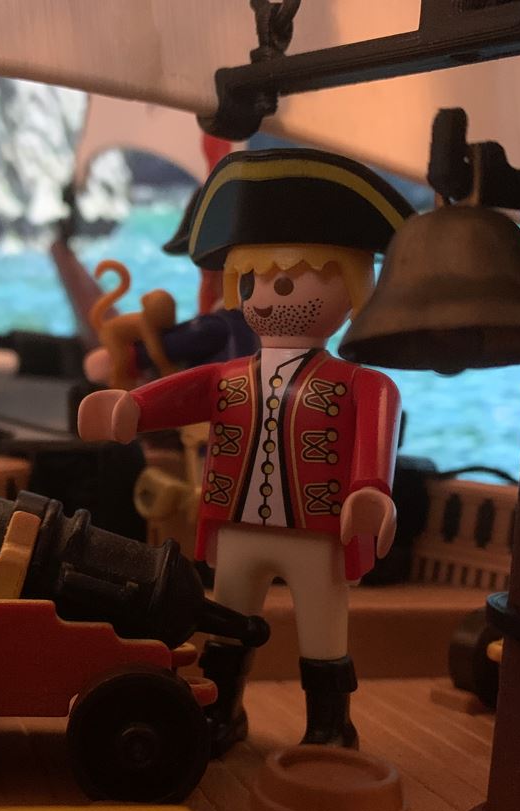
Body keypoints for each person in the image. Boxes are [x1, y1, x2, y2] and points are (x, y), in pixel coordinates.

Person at [78, 147, 413, 755]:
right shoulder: (229, 376)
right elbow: (180, 393)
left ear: (352, 288)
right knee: (226, 624)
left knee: (323, 629)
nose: (267, 297)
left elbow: (376, 442)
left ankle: (330, 726)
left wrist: (371, 491)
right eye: (253, 282)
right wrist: (132, 408)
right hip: (236, 524)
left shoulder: (364, 385)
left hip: (318, 530)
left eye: (287, 281)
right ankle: (221, 712)